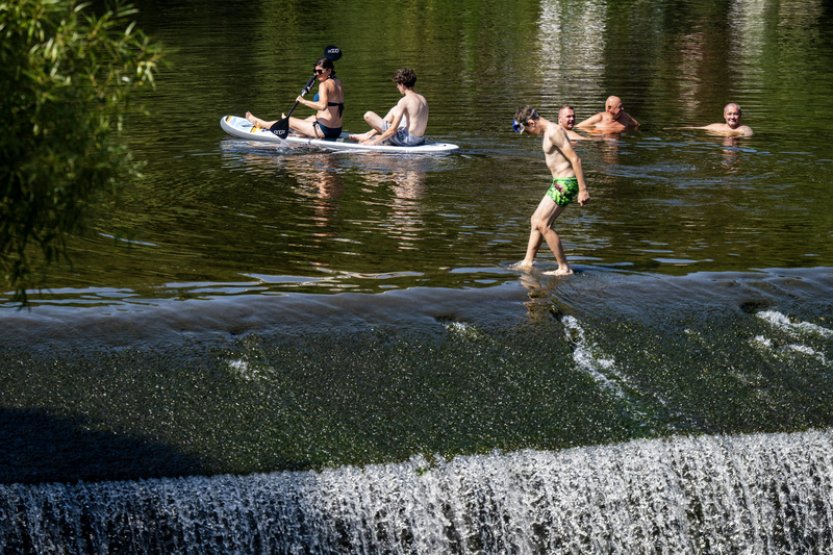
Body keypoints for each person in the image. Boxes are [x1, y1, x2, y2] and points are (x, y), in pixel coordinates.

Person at [511, 106, 590, 276]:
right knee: (535, 220)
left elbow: (576, 159)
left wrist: (583, 190)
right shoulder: (549, 131)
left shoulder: (554, 131)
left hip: (566, 182)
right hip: (559, 182)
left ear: (531, 123)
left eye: (527, 131)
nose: (528, 135)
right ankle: (527, 262)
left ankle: (564, 267)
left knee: (543, 224)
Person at [246, 57, 344, 139]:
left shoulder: (324, 84)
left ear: (329, 70)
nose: (316, 74)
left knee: (287, 120)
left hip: (324, 130)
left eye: (319, 71)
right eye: (315, 71)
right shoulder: (338, 82)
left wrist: (303, 101)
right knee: (312, 118)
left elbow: (322, 106)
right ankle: (300, 134)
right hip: (337, 130)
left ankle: (262, 124)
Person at [349, 68, 428, 146]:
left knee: (368, 115)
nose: (397, 88)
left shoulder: (404, 101)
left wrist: (374, 142)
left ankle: (368, 135)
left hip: (408, 141)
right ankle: (369, 134)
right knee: (395, 109)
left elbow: (392, 130)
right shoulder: (422, 98)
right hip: (419, 140)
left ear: (402, 85)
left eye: (398, 85)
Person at [677, 102, 753, 137]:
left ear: (740, 116)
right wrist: (674, 129)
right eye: (729, 114)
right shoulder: (716, 126)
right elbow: (698, 128)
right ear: (724, 115)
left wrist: (735, 135)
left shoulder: (743, 128)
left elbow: (749, 134)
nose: (732, 117)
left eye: (735, 114)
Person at [576, 95, 640, 133]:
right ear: (609, 108)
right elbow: (578, 127)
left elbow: (637, 126)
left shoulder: (625, 116)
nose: (623, 109)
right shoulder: (599, 118)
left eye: (622, 106)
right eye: (620, 107)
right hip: (604, 141)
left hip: (620, 142)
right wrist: (594, 132)